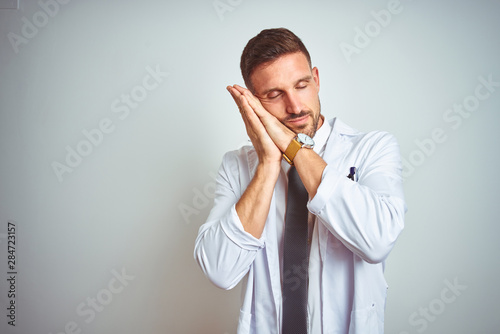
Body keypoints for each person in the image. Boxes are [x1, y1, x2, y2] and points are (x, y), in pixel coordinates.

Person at [194, 27, 406, 334]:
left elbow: (376, 242)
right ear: (253, 102)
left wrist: (292, 147)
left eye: (302, 85)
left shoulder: (373, 147)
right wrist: (268, 164)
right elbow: (220, 270)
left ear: (316, 79)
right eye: (274, 94)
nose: (294, 106)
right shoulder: (237, 165)